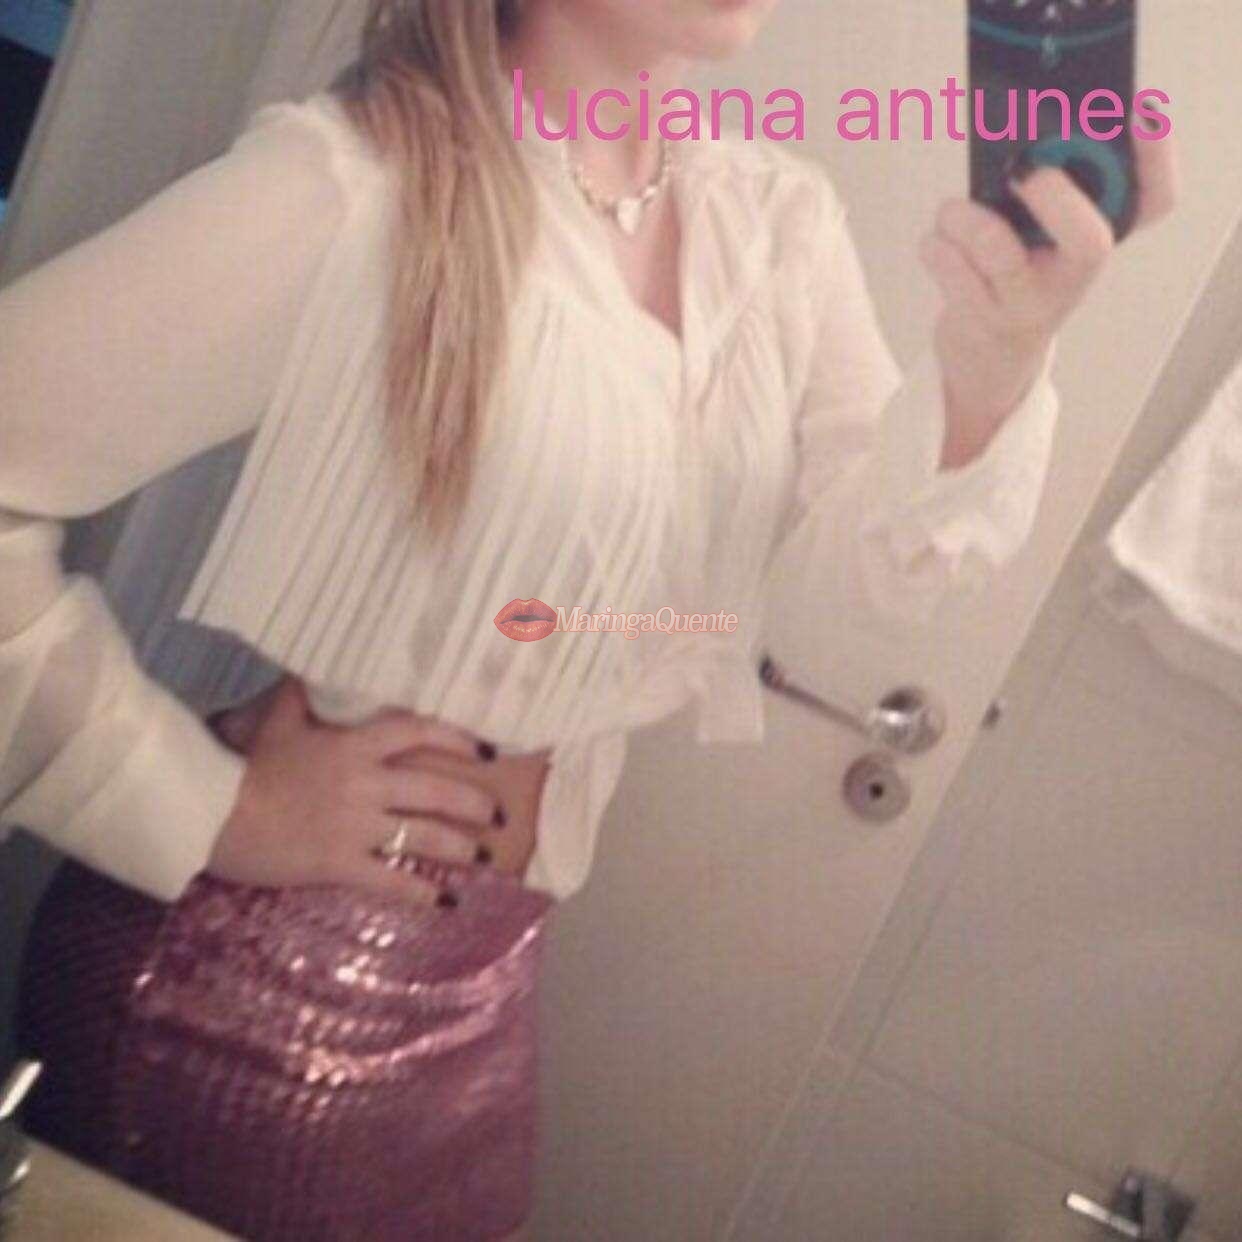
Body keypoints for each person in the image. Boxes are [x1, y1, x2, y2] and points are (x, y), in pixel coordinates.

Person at [0, 1, 1177, 1239]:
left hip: (492, 977)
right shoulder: (358, 182)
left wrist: (996, 358)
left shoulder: (770, 221)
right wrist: (199, 801)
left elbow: (855, 593)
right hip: (249, 992)